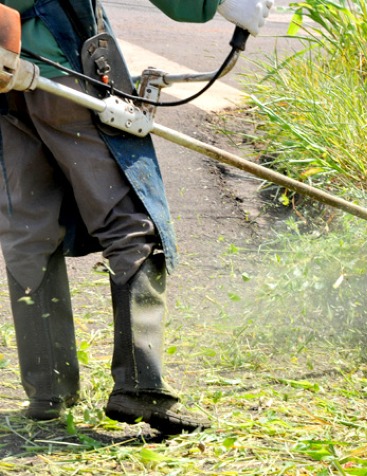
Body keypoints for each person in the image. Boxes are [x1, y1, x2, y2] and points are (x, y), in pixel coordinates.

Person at [0, 0, 272, 435]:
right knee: (132, 224)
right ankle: (139, 388)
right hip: (61, 68)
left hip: (8, 83)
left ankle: (47, 394)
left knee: (29, 231)